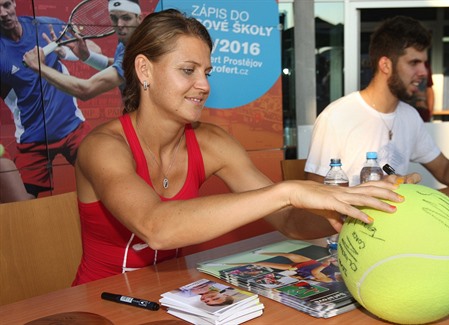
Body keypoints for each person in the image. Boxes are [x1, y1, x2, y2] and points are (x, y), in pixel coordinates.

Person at [71, 9, 404, 286]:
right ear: (144, 70)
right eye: (188, 71)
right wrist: (286, 191)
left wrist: (357, 206)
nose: (203, 85)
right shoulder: (102, 147)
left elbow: (289, 221)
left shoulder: (212, 142)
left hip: (170, 295)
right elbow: (157, 227)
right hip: (99, 304)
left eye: (206, 72)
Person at [305, 16, 449, 191]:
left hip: (393, 228)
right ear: (385, 65)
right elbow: (314, 195)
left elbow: (443, 169)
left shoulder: (409, 115)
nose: (424, 72)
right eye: (414, 62)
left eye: (424, 63)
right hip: (348, 237)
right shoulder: (337, 117)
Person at [0, 0, 91, 197]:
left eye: (6, 4)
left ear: (14, 3)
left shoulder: (44, 25)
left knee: (103, 178)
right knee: (24, 208)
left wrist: (84, 53)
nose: (3, 13)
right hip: (33, 140)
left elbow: (90, 52)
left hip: (72, 127)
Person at [22, 0, 143, 100]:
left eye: (126, 18)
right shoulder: (127, 41)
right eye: (114, 18)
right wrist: (87, 57)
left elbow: (85, 90)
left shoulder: (139, 51)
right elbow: (118, 66)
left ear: (139, 18)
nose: (119, 24)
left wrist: (39, 67)